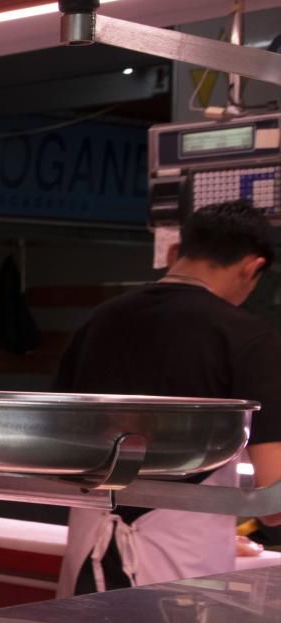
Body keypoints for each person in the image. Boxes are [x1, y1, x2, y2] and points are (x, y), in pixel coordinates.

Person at [54, 200, 281, 596]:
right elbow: (275, 499)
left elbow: (57, 446)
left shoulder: (98, 322)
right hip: (180, 579)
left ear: (176, 252)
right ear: (252, 268)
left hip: (87, 553)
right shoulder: (248, 339)